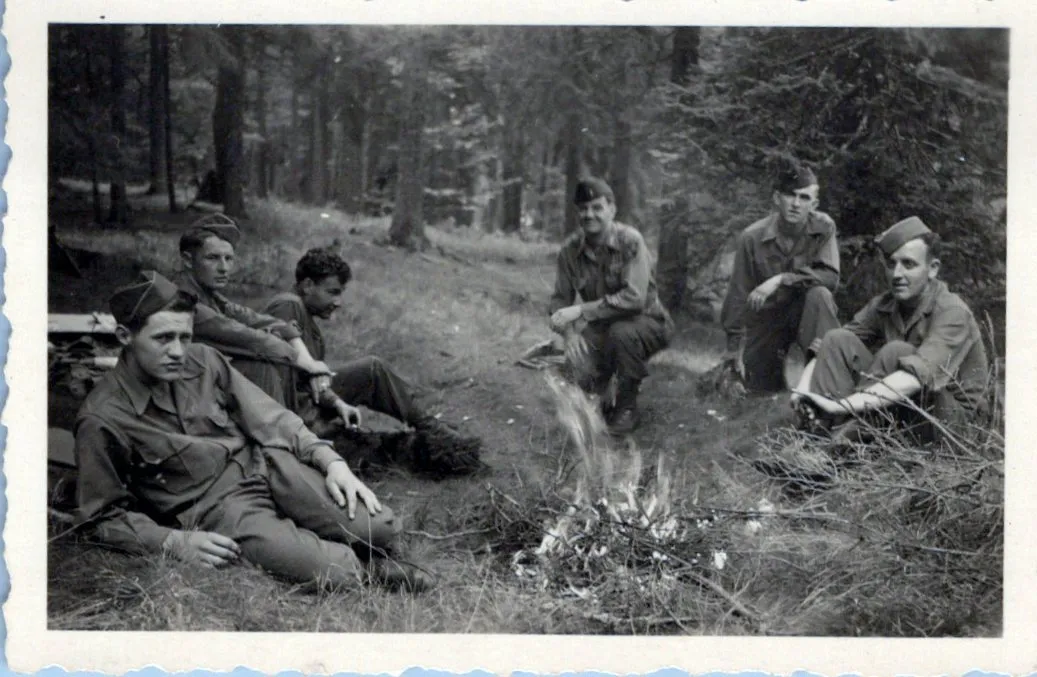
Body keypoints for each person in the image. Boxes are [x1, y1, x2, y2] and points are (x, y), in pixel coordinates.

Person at [74, 271, 432, 592]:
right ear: (124, 336)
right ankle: (362, 568)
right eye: (163, 338)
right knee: (333, 571)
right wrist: (173, 541)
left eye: (185, 336)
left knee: (381, 528)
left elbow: (271, 417)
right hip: (219, 506)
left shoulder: (204, 360)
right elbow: (100, 517)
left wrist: (331, 461)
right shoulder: (103, 417)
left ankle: (331, 533)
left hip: (268, 464)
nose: (178, 351)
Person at [263, 247, 485, 476]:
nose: (338, 302)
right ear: (308, 285)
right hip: (292, 421)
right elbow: (291, 348)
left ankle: (435, 436)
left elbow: (311, 381)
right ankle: (436, 437)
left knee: (380, 432)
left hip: (308, 412)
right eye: (332, 292)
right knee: (372, 375)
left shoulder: (310, 325)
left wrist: (338, 404)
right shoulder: (287, 303)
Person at [792, 216, 989, 437]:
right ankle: (814, 436)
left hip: (955, 426)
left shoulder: (953, 312)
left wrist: (841, 406)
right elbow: (827, 347)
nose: (897, 274)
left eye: (909, 264)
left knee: (896, 352)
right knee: (837, 339)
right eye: (891, 263)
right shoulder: (885, 305)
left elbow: (916, 378)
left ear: (932, 269)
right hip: (906, 412)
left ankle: (840, 444)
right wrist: (801, 390)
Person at [548, 177, 674, 434]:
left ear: (612, 209)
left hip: (648, 322)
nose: (589, 215)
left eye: (597, 207)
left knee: (622, 334)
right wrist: (569, 333)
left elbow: (634, 299)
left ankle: (627, 407)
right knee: (579, 362)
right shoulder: (570, 250)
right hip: (602, 325)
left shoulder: (630, 241)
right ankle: (598, 397)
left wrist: (582, 310)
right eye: (583, 209)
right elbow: (560, 299)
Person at [175, 213, 330, 409]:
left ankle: (292, 431)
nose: (224, 268)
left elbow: (257, 320)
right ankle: (287, 434)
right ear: (188, 260)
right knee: (263, 364)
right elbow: (244, 337)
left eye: (229, 259)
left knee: (271, 357)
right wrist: (304, 362)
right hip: (181, 400)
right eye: (213, 258)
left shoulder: (210, 296)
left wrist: (306, 358)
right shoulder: (182, 301)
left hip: (201, 389)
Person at [720, 163, 841, 392]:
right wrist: (733, 351)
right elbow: (738, 294)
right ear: (777, 198)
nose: (796, 204)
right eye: (790, 195)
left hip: (805, 315)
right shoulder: (752, 237)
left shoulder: (824, 228)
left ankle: (828, 384)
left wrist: (782, 279)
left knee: (820, 294)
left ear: (814, 204)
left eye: (804, 198)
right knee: (760, 391)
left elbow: (830, 277)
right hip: (769, 323)